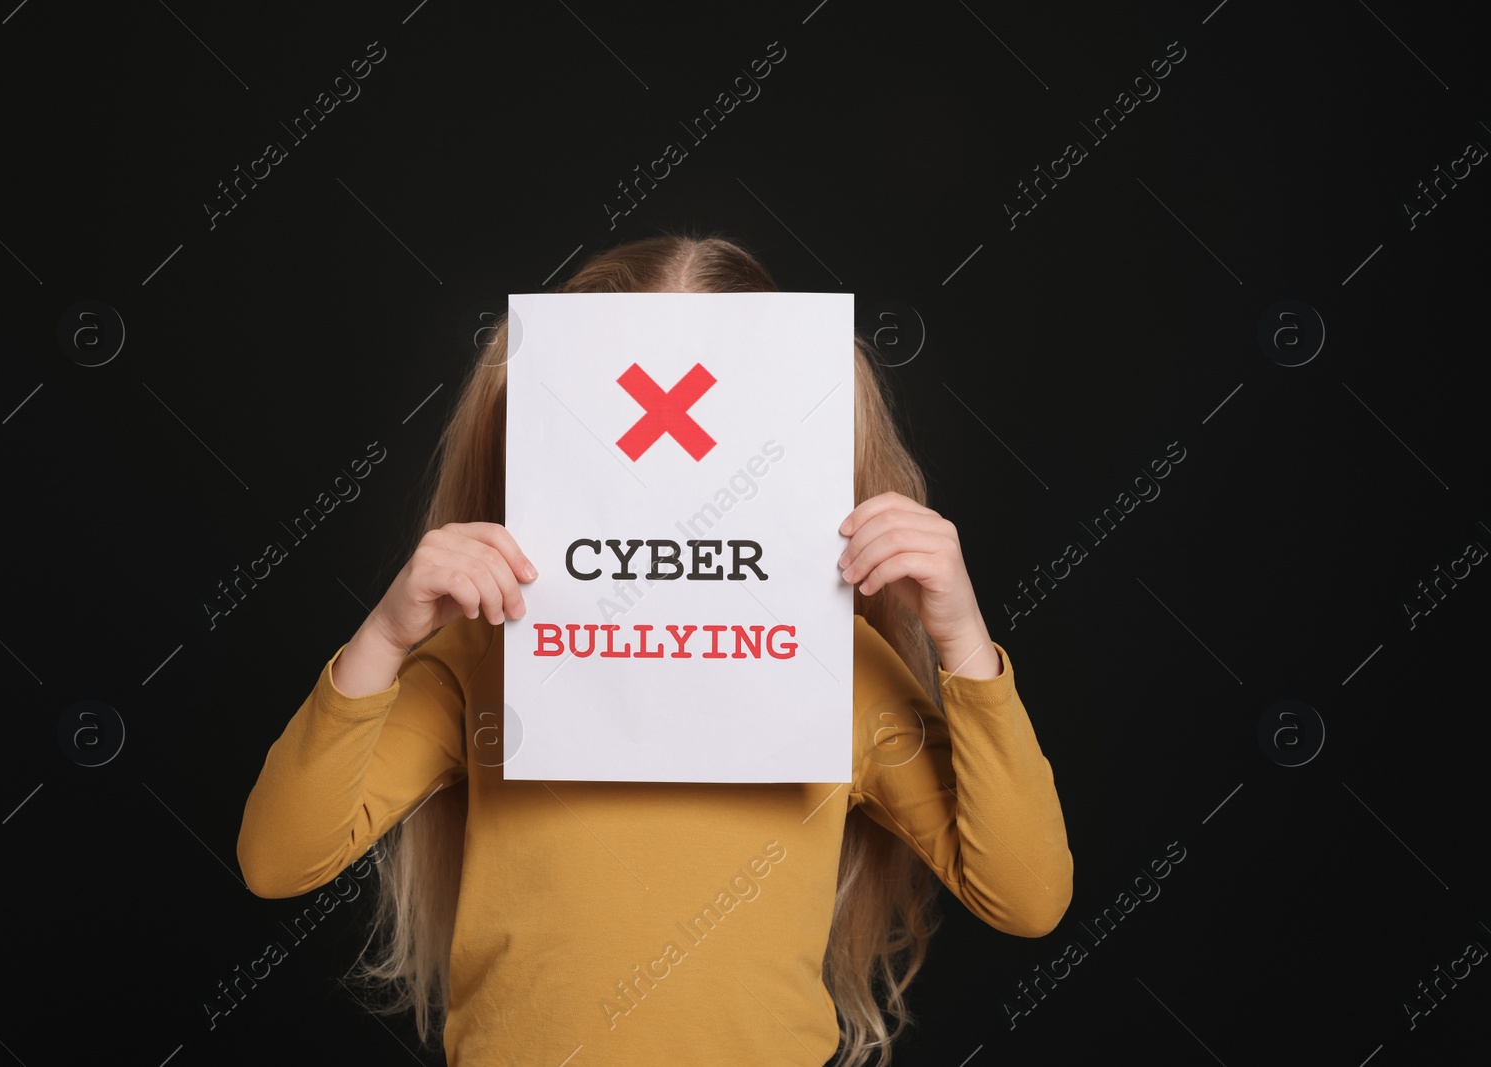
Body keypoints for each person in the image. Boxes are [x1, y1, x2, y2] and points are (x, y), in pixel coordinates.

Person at [236, 233, 1072, 1066]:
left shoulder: (836, 667)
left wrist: (961, 638)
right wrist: (384, 635)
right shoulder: (483, 655)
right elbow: (279, 860)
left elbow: (1027, 896)